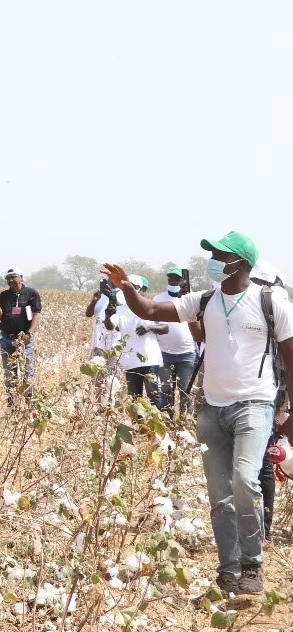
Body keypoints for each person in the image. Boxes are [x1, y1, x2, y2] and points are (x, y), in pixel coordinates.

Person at [105, 231, 293, 595]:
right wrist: (126, 287)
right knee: (219, 495)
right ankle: (228, 570)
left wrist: (291, 412)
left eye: (221, 256)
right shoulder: (205, 300)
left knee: (245, 481)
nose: (215, 262)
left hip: (255, 403)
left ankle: (252, 564)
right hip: (211, 408)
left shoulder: (272, 303)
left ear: (242, 263)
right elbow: (148, 309)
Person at [251, 261, 289, 544]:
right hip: (250, 398)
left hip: (273, 400)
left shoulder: (281, 312)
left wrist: (285, 408)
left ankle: (262, 528)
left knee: (267, 460)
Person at [107, 275, 165, 403]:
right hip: (130, 360)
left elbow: (164, 328)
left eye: (132, 287)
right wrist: (107, 316)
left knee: (154, 394)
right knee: (135, 399)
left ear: (139, 289)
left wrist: (149, 327)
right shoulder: (120, 310)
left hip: (150, 359)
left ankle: (158, 423)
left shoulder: (148, 306)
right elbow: (111, 326)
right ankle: (139, 423)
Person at [0, 268, 41, 405]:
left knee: (28, 373)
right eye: (8, 278)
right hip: (7, 339)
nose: (11, 280)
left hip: (25, 339)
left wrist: (29, 333)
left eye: (14, 277)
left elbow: (36, 315)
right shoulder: (4, 295)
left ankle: (30, 404)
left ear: (21, 277)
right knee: (9, 374)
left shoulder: (31, 293)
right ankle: (12, 406)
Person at [154, 268, 199, 416]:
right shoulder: (159, 299)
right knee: (166, 390)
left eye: (177, 278)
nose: (173, 281)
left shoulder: (191, 299)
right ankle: (167, 421)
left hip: (187, 354)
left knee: (186, 390)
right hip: (164, 353)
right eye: (171, 278)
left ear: (183, 281)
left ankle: (185, 422)